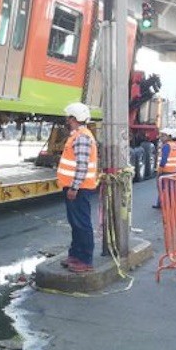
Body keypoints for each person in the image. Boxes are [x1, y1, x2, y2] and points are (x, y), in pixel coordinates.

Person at [56, 102, 99, 274]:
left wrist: (74, 187)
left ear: (74, 118)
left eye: (68, 117)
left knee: (82, 224)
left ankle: (85, 260)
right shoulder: (78, 135)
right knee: (76, 223)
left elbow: (82, 165)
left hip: (79, 188)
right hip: (75, 187)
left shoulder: (81, 137)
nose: (66, 120)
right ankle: (75, 254)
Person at [153, 128, 176, 208]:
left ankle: (162, 204)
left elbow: (163, 160)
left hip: (165, 171)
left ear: (169, 136)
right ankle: (170, 204)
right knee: (171, 188)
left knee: (161, 188)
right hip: (173, 170)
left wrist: (159, 170)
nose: (161, 138)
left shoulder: (166, 146)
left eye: (163, 136)